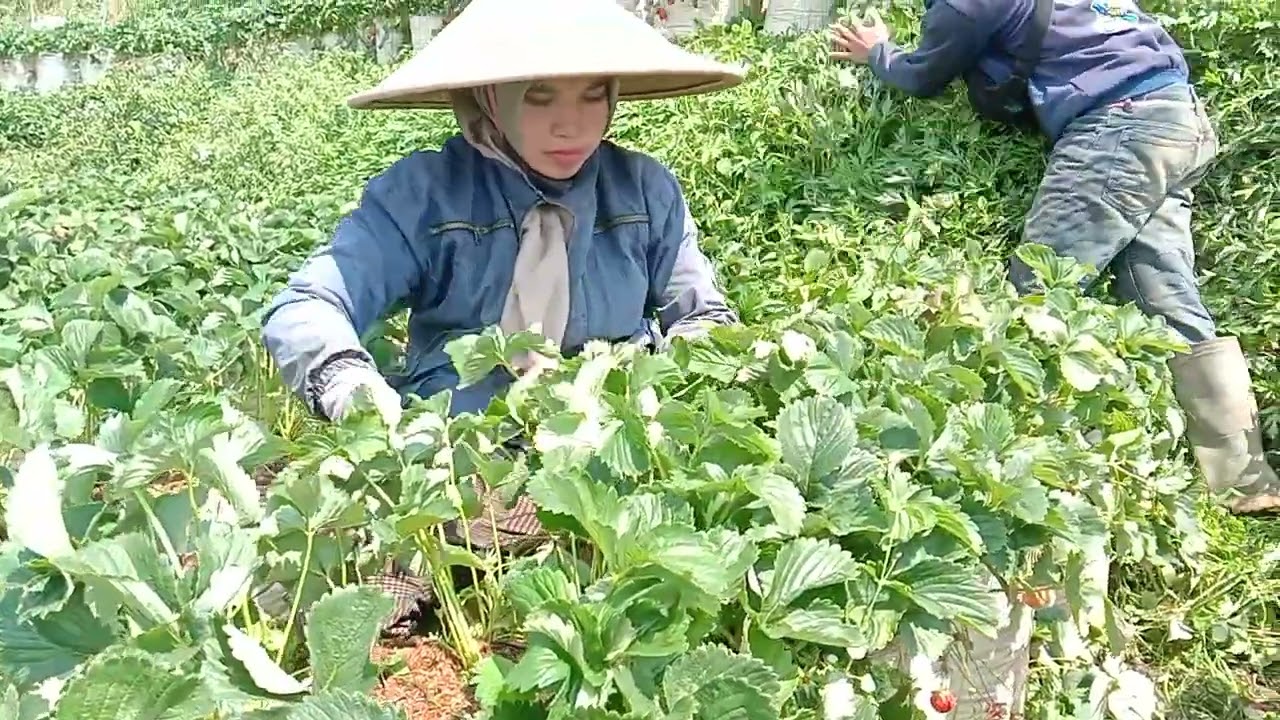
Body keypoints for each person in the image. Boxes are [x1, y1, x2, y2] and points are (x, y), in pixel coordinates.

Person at [256, 0, 747, 633]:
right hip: (461, 455)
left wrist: (660, 381)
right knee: (360, 578)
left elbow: (704, 313)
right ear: (489, 94)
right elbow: (307, 305)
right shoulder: (424, 195)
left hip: (611, 450)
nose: (571, 126)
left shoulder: (644, 191)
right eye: (539, 97)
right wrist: (355, 389)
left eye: (593, 94)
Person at [829, 0, 1278, 517]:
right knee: (1161, 293)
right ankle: (1244, 480)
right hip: (1178, 116)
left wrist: (879, 53)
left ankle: (1014, 481)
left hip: (1119, 126)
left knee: (1038, 290)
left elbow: (924, 73)